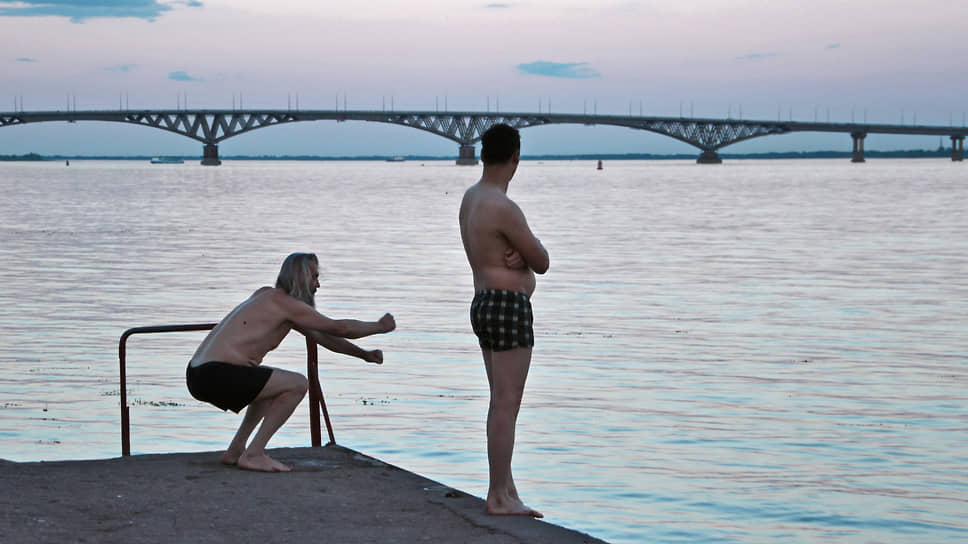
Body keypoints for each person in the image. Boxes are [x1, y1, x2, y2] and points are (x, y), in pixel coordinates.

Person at [186, 252, 395, 473]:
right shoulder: (286, 305)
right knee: (297, 384)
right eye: (314, 277)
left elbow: (326, 337)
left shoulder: (267, 295)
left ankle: (236, 450)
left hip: (196, 373)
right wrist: (379, 326)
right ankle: (254, 454)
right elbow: (340, 328)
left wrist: (364, 355)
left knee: (270, 385)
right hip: (216, 374)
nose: (318, 285)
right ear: (301, 278)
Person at [458, 123, 549, 517]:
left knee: (499, 401)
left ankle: (507, 488)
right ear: (516, 158)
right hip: (508, 308)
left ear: (481, 154)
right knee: (507, 405)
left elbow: (505, 259)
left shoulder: (470, 199)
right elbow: (542, 262)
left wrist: (519, 263)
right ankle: (498, 495)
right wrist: (526, 265)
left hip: (481, 302)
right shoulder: (504, 207)